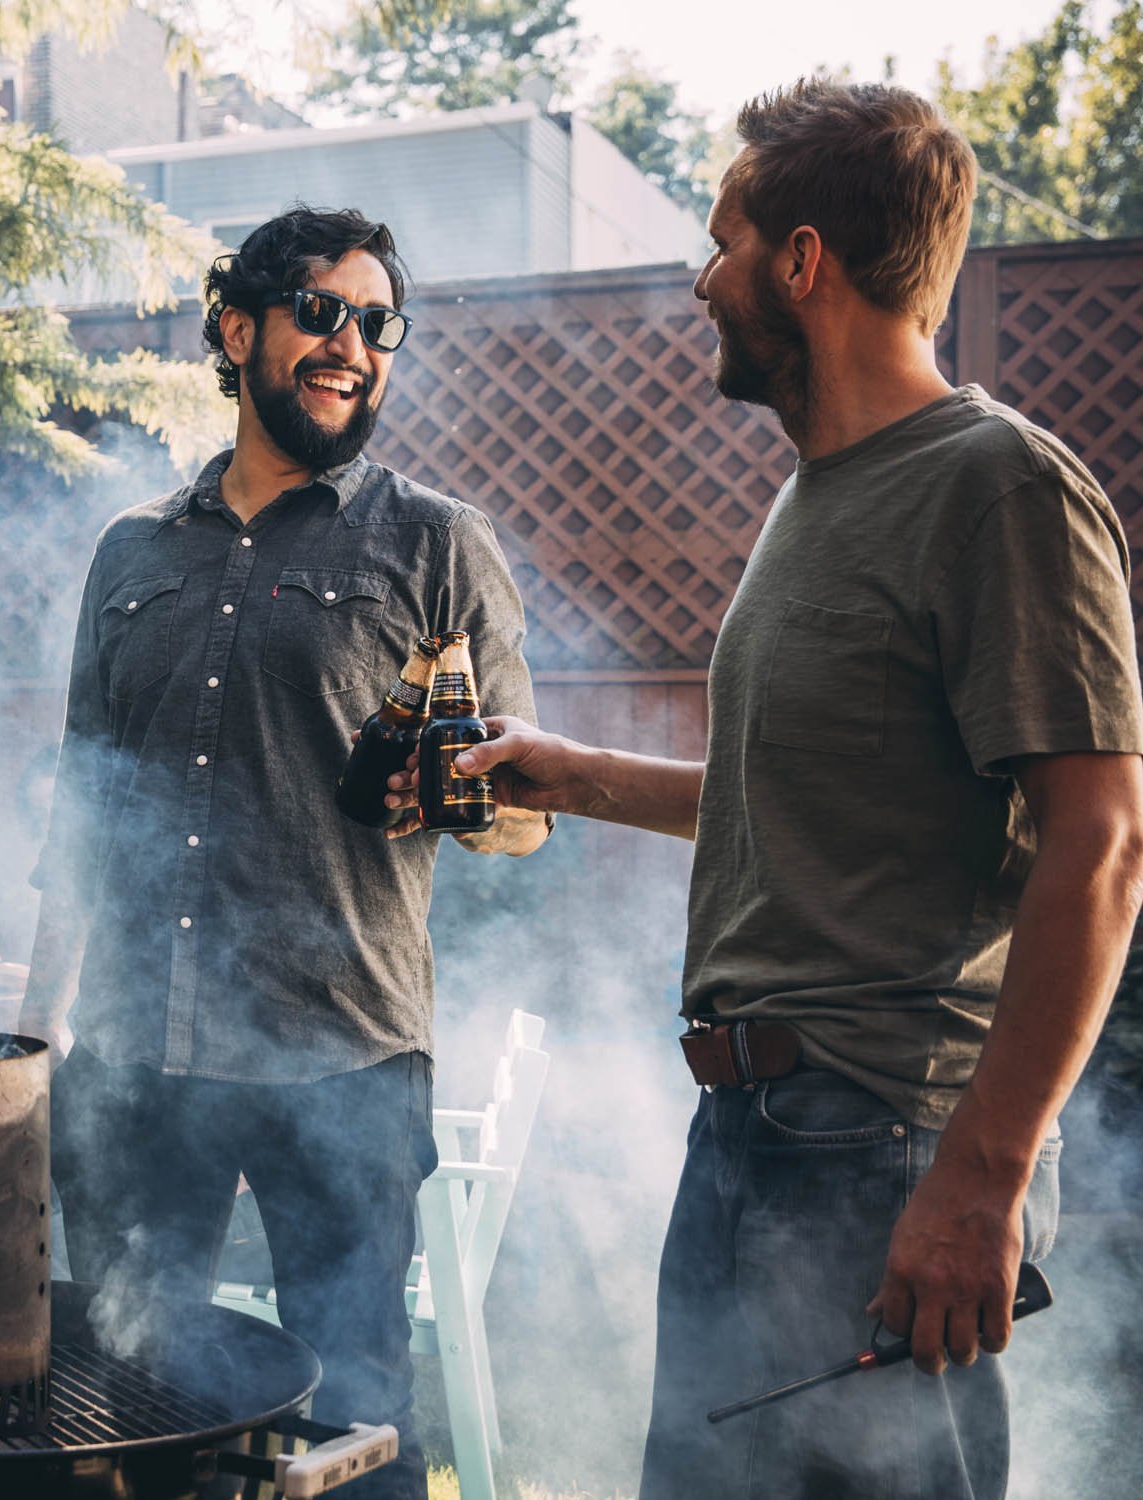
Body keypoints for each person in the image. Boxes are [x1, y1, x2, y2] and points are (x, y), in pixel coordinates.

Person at [439, 81, 1143, 1499]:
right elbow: (806, 798)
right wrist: (562, 770)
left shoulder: (995, 486)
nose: (703, 281)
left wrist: (979, 1180)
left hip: (880, 1155)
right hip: (753, 1140)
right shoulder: (817, 494)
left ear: (801, 261)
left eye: (721, 242)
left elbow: (1103, 844)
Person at [19, 204, 549, 1500]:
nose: (351, 345)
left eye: (377, 325)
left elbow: (527, 815)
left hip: (342, 1063)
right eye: (321, 311)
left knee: (351, 1420)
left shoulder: (433, 545)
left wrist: (463, 792)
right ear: (234, 328)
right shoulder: (129, 553)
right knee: (121, 1412)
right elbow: (81, 818)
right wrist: (28, 1048)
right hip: (137, 1060)